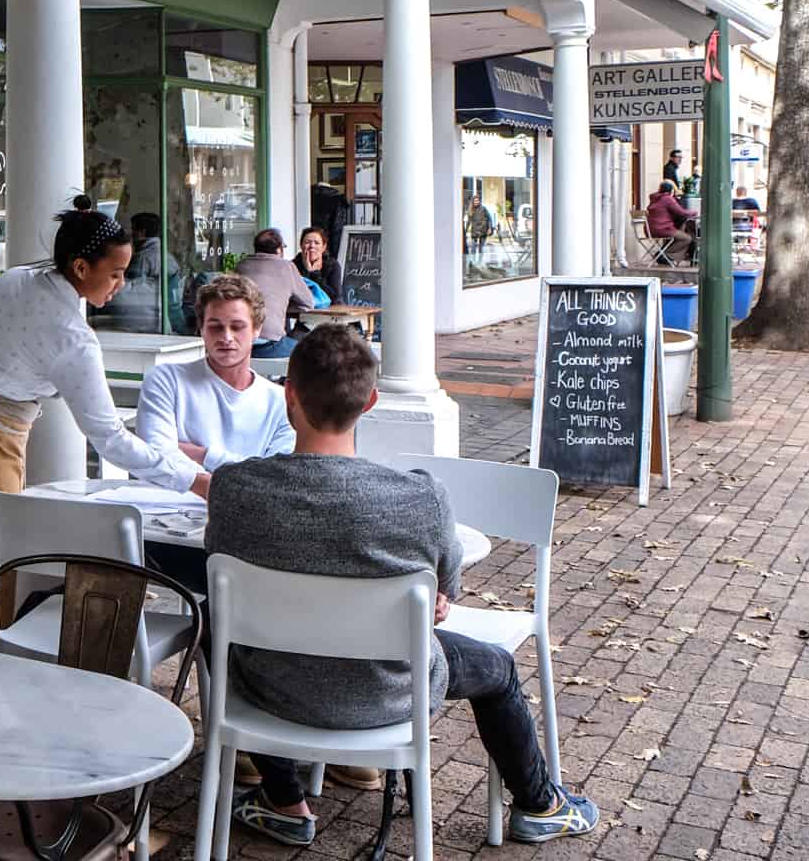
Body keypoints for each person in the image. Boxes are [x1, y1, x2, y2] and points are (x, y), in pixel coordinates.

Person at [209, 326, 599, 847]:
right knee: (498, 668)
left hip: (271, 695)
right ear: (370, 402)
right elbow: (444, 594)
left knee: (214, 620)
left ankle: (283, 800)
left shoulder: (235, 489)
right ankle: (540, 805)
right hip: (390, 696)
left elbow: (220, 565)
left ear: (289, 395)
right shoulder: (419, 499)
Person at [0, 194, 203, 639]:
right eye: (115, 274)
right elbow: (109, 438)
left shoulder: (10, 281)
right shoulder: (73, 339)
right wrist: (191, 478)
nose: (120, 285)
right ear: (80, 268)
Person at [134, 274, 294, 590]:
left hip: (247, 534)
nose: (226, 337)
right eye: (215, 326)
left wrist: (202, 453)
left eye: (237, 326)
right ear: (201, 328)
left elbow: (274, 477)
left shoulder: (278, 400)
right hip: (167, 532)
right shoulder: (167, 380)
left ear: (258, 329)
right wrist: (238, 477)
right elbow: (156, 455)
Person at [232, 229, 314, 358]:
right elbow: (308, 303)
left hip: (239, 344)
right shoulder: (287, 266)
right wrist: (283, 304)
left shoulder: (241, 265)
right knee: (309, 352)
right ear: (279, 250)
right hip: (269, 345)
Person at [646, 180, 697, 264]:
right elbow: (681, 212)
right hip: (663, 228)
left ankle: (665, 257)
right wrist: (694, 212)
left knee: (680, 234)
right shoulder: (667, 198)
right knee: (687, 238)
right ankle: (663, 255)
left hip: (650, 230)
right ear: (671, 190)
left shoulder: (655, 199)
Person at [292, 226, 342, 305]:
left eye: (317, 243)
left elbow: (334, 297)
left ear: (323, 247)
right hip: (300, 312)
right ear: (301, 246)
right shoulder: (293, 266)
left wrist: (315, 274)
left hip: (328, 313)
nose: (312, 246)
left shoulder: (333, 265)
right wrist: (306, 272)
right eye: (307, 242)